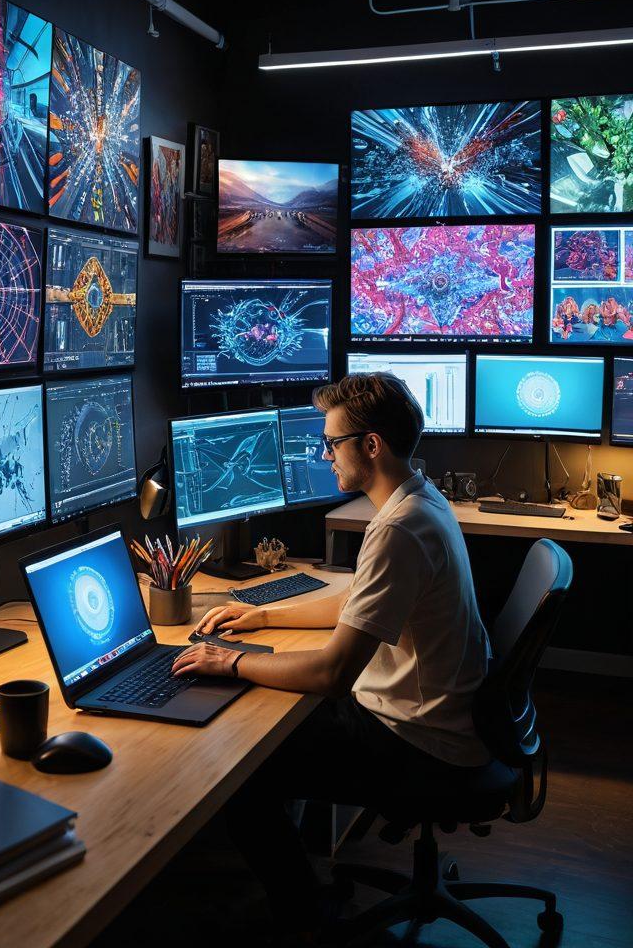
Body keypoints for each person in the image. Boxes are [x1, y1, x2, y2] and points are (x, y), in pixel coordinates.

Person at [172, 373, 492, 943]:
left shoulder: (398, 527)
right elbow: (356, 601)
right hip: (438, 718)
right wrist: (263, 617)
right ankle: (306, 884)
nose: (325, 455)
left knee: (244, 778)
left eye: (332, 443)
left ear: (371, 446)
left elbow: (331, 673)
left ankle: (306, 925)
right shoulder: (419, 499)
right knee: (269, 734)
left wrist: (229, 662)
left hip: (419, 741)